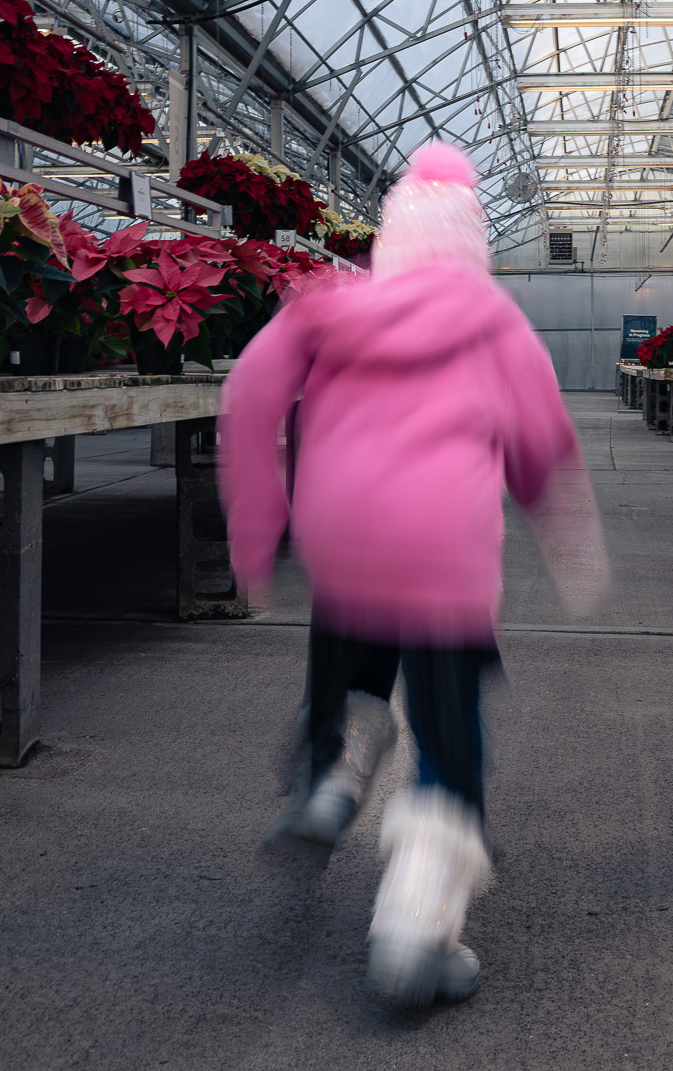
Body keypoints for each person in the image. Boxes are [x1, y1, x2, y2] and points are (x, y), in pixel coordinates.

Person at [220, 140, 605, 1003]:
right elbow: (543, 442)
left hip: (341, 538)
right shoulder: (492, 320)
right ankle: (414, 926)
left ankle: (336, 771)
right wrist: (570, 542)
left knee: (353, 663)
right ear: (474, 247)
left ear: (389, 239)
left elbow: (247, 392)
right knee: (446, 730)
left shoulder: (329, 307)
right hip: (444, 555)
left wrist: (256, 531)